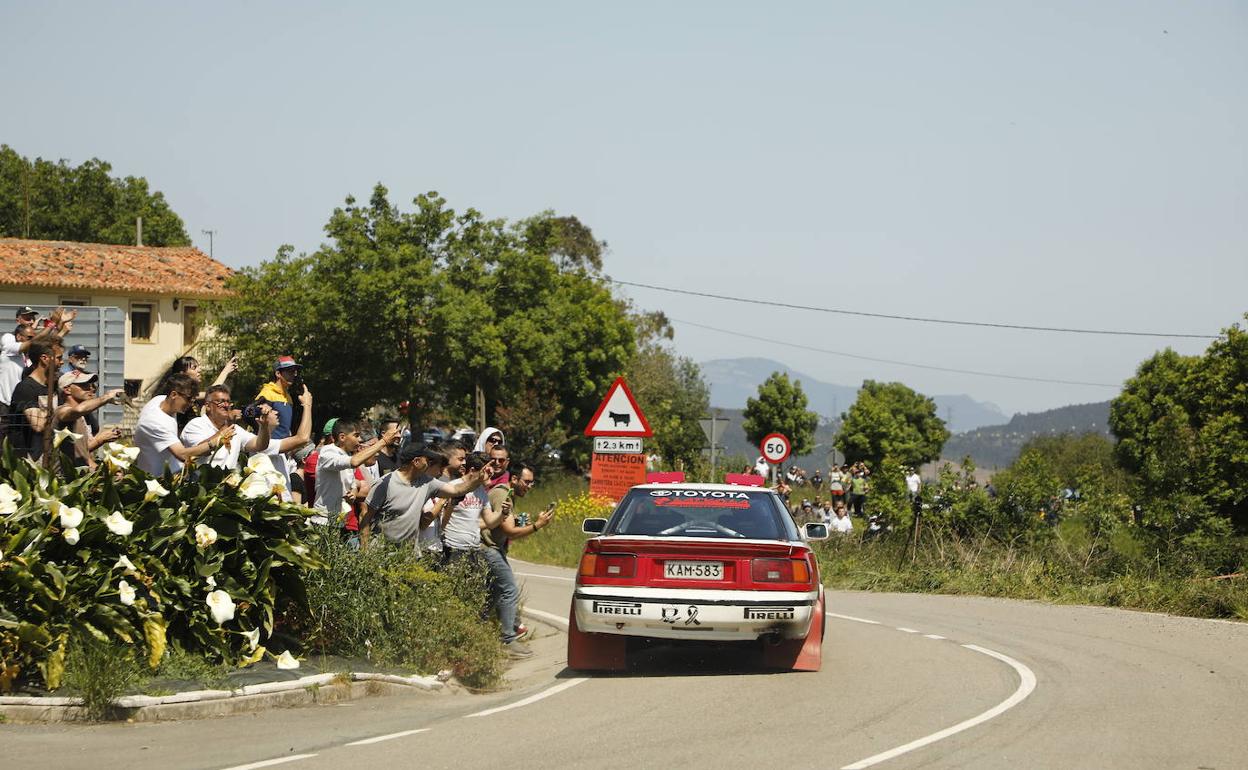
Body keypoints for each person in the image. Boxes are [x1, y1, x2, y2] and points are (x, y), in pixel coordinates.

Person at [360, 443, 494, 547]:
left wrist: (477, 480)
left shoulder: (427, 482)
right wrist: (365, 553)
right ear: (416, 461)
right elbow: (365, 516)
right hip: (382, 553)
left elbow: (457, 490)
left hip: (408, 556)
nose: (431, 463)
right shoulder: (385, 483)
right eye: (428, 460)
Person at [482, 460, 553, 658]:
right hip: (488, 548)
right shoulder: (502, 493)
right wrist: (537, 526)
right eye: (527, 482)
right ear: (514, 479)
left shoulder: (509, 494)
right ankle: (508, 640)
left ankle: (479, 631)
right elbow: (509, 531)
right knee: (509, 589)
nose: (529, 486)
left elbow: (507, 525)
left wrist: (526, 522)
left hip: (493, 548)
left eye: (532, 483)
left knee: (494, 591)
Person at [133, 374, 234, 477]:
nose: (191, 404)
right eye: (189, 399)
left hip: (174, 473)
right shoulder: (155, 422)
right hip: (157, 481)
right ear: (173, 395)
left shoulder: (161, 400)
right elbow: (182, 455)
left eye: (193, 400)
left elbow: (207, 395)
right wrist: (216, 441)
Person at [311, 419, 398, 527]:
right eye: (356, 435)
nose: (359, 439)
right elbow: (354, 462)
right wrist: (383, 441)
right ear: (342, 437)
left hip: (339, 523)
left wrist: (353, 493)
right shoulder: (328, 452)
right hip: (322, 521)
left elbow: (352, 484)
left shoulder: (347, 456)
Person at [56, 371, 125, 469]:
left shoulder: (81, 417)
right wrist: (107, 397)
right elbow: (78, 410)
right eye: (84, 385)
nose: (91, 388)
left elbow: (84, 456)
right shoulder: (61, 411)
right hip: (63, 480)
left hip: (79, 478)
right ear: (67, 390)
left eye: (92, 385)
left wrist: (109, 473)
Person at [255, 356, 302, 440]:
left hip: (282, 447)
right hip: (267, 446)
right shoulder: (267, 393)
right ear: (278, 374)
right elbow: (254, 418)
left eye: (294, 371)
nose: (293, 374)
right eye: (289, 371)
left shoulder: (288, 397)